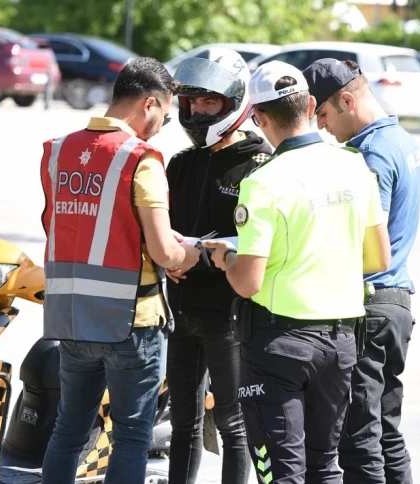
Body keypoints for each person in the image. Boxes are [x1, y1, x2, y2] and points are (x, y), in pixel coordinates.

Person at [204, 60, 391, 484]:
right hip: (341, 341)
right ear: (310, 104)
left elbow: (248, 282)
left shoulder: (263, 181)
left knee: (282, 474)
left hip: (279, 345)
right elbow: (378, 258)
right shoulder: (354, 165)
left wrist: (224, 259)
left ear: (259, 117)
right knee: (324, 466)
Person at [39, 56, 201, 484]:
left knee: (69, 429)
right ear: (150, 104)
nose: (163, 124)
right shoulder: (141, 159)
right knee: (131, 435)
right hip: (133, 322)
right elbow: (166, 252)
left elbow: (68, 227)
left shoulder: (58, 152)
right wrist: (197, 253)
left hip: (72, 319)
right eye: (165, 115)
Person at [303, 58, 420, 484]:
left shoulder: (369, 153)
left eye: (323, 114)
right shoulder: (401, 139)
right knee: (387, 432)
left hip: (368, 307)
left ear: (348, 100)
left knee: (359, 440)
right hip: (397, 304)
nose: (321, 127)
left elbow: (364, 237)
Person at [164, 47, 273, 484]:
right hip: (181, 312)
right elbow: (160, 228)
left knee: (234, 423)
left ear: (232, 102)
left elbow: (260, 241)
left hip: (231, 315)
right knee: (183, 424)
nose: (197, 111)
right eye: (191, 102)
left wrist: (200, 254)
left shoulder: (259, 163)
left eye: (209, 102)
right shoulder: (181, 163)